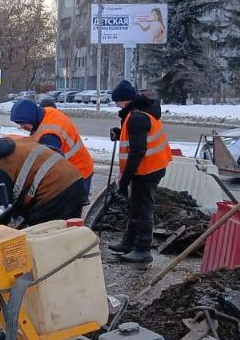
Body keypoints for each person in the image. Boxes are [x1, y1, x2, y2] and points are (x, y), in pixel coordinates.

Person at [0, 133, 88, 230]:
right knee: (67, 236)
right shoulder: (0, 147)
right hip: (72, 180)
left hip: (55, 190)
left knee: (45, 239)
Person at [108, 79, 172, 264]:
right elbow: (139, 136)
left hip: (147, 170)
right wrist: (120, 133)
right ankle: (128, 242)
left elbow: (138, 150)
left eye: (117, 101)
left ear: (124, 100)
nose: (116, 105)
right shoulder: (139, 113)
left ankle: (143, 249)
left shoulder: (136, 117)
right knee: (136, 207)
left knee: (142, 209)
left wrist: (125, 179)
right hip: (152, 166)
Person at [9, 98, 95, 191]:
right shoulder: (48, 112)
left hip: (77, 173)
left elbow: (45, 168)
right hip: (81, 165)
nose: (22, 127)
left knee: (71, 204)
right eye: (19, 124)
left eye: (23, 123)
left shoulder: (50, 136)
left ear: (31, 117)